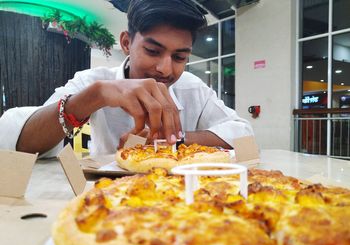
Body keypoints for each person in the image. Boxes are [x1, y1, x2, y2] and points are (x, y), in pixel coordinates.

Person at [0, 0, 253, 157]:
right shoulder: (94, 81)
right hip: (106, 198)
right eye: (153, 51)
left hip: (179, 198)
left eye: (179, 57)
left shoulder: (193, 88)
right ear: (126, 42)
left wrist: (174, 140)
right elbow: (20, 143)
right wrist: (91, 98)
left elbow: (244, 135)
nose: (165, 69)